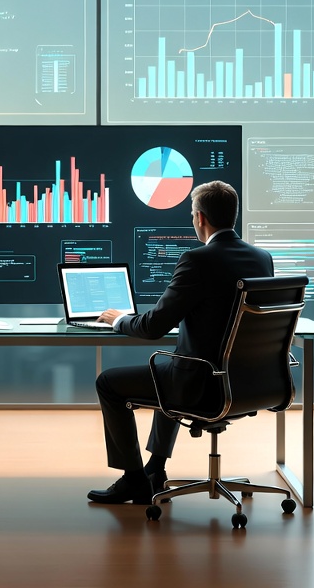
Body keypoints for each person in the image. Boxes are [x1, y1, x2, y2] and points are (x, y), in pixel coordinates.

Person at [86, 180, 274, 504]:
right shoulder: (262, 259)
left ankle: (133, 480)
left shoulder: (196, 260)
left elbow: (154, 326)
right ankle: (154, 470)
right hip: (250, 383)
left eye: (191, 215)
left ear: (200, 218)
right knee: (170, 366)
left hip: (202, 386)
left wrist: (118, 320)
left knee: (109, 383)